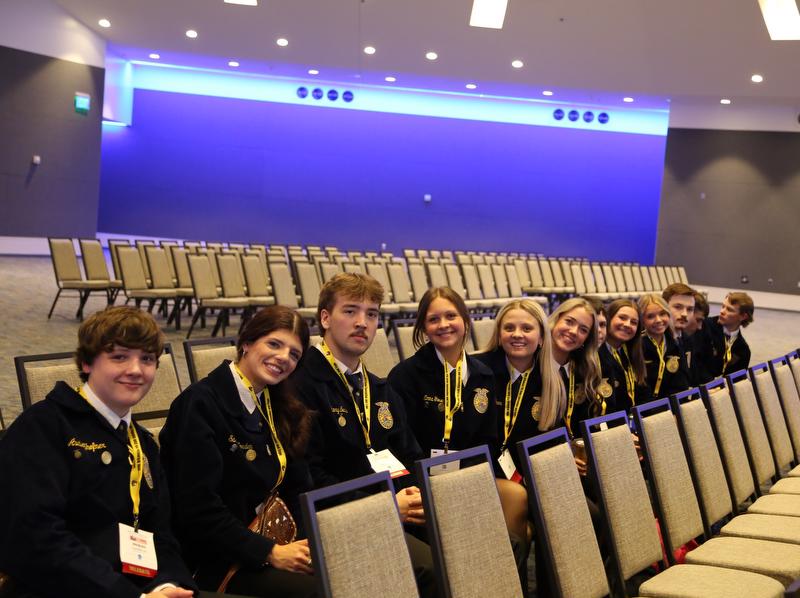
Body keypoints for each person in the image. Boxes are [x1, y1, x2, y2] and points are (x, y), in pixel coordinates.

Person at [0, 306, 197, 598]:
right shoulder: (43, 428)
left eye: (147, 359)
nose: (135, 369)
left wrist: (169, 586)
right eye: (119, 356)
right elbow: (36, 539)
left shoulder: (142, 443)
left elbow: (161, 536)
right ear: (87, 363)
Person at [293, 273, 437, 598]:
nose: (362, 323)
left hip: (395, 506)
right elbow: (310, 478)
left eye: (371, 314)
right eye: (350, 311)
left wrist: (417, 495)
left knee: (480, 536)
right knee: (433, 567)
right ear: (325, 318)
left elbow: (410, 455)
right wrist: (385, 505)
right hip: (341, 516)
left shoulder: (378, 387)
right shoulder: (301, 385)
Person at [159, 305, 317, 597]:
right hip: (218, 556)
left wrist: (306, 544)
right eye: (274, 344)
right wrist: (270, 552)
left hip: (272, 540)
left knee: (347, 564)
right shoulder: (200, 404)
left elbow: (298, 486)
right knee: (322, 589)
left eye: (294, 354)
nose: (283, 358)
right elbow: (198, 510)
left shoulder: (280, 405)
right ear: (246, 342)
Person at [387, 287, 497, 458]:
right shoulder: (403, 377)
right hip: (425, 476)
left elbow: (489, 438)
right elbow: (403, 444)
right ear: (424, 328)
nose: (444, 325)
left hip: (476, 473)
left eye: (451, 316)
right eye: (433, 319)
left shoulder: (484, 376)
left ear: (465, 320)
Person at [548, 298, 603, 447]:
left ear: (586, 339)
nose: (573, 332)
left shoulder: (585, 369)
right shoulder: (530, 365)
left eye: (583, 330)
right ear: (556, 319)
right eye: (569, 322)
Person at [599, 299, 649, 413]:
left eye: (634, 322)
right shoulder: (594, 354)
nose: (627, 324)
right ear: (608, 318)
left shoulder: (634, 353)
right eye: (622, 318)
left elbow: (644, 394)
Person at [694, 292, 754, 384]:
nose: (722, 311)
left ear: (743, 316)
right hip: (699, 388)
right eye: (723, 306)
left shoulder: (743, 350)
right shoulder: (704, 326)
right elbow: (695, 363)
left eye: (729, 309)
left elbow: (737, 383)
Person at [638, 294, 690, 399]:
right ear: (642, 320)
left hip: (672, 407)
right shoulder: (637, 347)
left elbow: (682, 383)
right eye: (650, 316)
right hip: (647, 409)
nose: (658, 320)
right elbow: (639, 388)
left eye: (662, 314)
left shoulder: (675, 344)